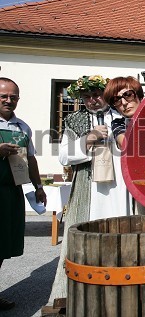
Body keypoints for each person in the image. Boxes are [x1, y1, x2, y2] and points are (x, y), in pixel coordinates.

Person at [48, 75, 135, 303]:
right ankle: (83, 292)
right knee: (88, 237)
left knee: (122, 233)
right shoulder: (74, 119)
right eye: (86, 97)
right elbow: (64, 156)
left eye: (96, 95)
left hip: (120, 188)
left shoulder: (121, 114)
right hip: (90, 188)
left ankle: (123, 288)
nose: (92, 100)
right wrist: (89, 138)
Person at [0, 77, 47, 310]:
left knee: (3, 245)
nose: (9, 101)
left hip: (11, 193)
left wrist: (39, 187)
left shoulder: (23, 127)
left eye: (13, 97)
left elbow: (30, 159)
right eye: (4, 97)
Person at [102, 76, 144, 149]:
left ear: (139, 96)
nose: (124, 103)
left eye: (128, 95)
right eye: (116, 100)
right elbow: (126, 145)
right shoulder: (118, 123)